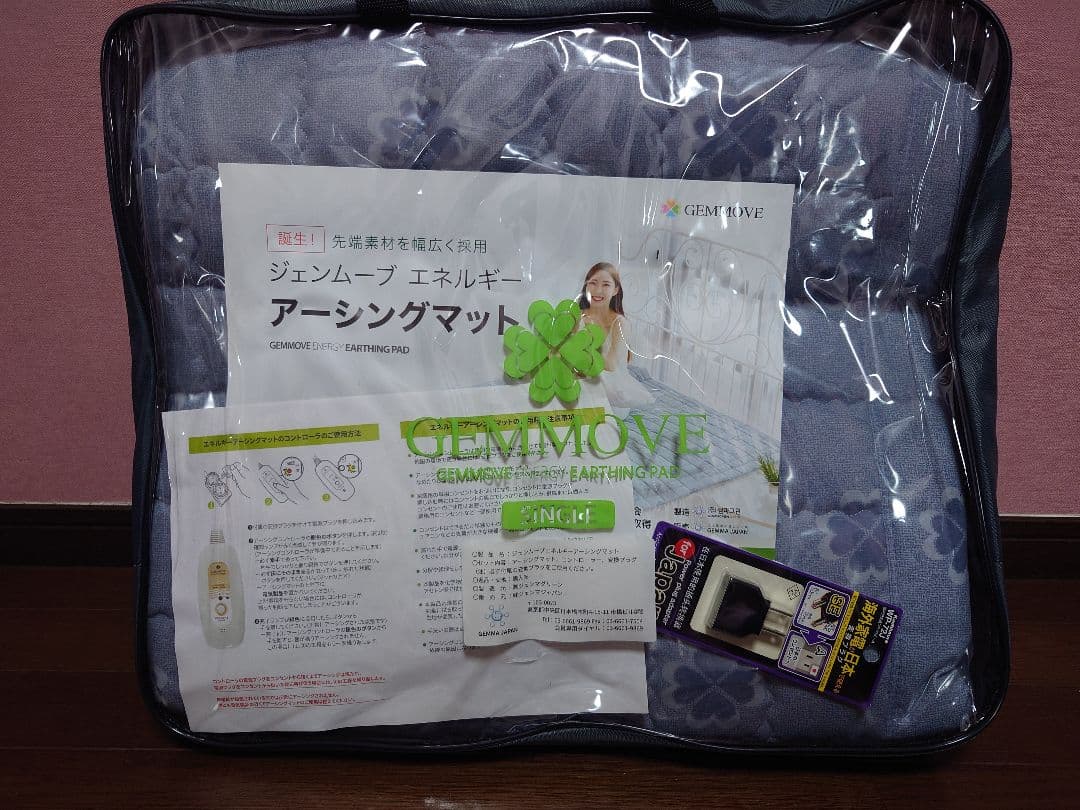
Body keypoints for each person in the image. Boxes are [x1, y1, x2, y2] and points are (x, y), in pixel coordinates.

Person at [578, 262, 655, 411]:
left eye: (606, 285)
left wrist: (580, 349)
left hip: (610, 387)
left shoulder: (619, 323)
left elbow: (610, 365)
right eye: (593, 283)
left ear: (615, 290)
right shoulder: (579, 315)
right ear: (586, 285)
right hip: (580, 377)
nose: (598, 290)